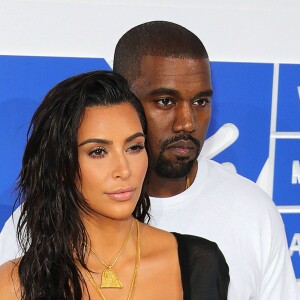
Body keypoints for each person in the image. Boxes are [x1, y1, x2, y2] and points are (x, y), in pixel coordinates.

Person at [0, 20, 299, 299]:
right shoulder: (20, 260)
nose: (187, 122)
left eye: (134, 147)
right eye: (98, 152)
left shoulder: (211, 252)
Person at [0, 70, 229, 300]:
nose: (124, 170)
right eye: (98, 152)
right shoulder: (14, 286)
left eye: (134, 147)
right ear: (61, 166)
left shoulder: (200, 264)